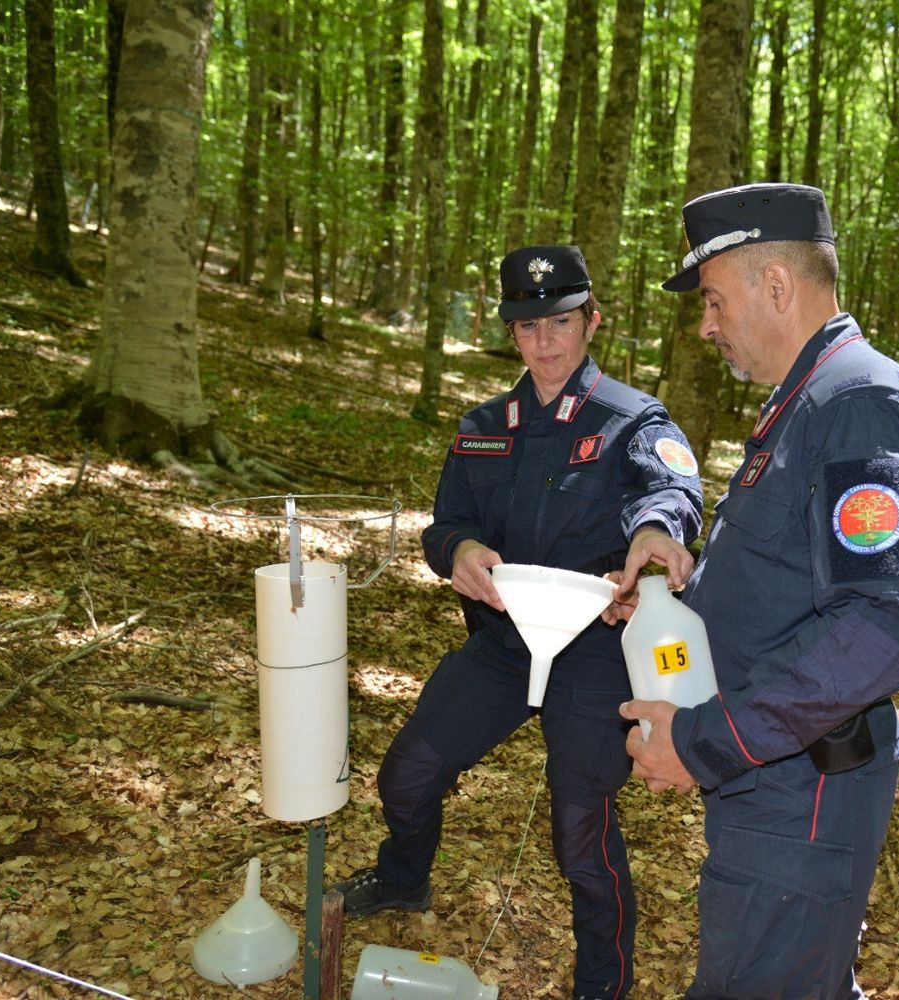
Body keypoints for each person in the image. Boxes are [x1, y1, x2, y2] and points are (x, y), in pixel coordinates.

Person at [334, 245, 703, 1000]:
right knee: (407, 773)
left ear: (592, 321)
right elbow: (448, 526)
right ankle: (405, 877)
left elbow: (671, 495)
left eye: (562, 321)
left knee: (580, 831)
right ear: (512, 333)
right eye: (529, 325)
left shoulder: (633, 419)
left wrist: (655, 536)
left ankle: (603, 983)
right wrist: (458, 549)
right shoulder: (482, 426)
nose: (546, 340)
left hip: (595, 652)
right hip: (504, 646)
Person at [616, 183, 899, 999]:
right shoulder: (807, 401)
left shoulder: (859, 403)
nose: (706, 324)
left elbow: (878, 626)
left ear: (777, 287)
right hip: (776, 781)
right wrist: (678, 606)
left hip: (801, 797)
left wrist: (702, 742)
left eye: (716, 300)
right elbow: (796, 582)